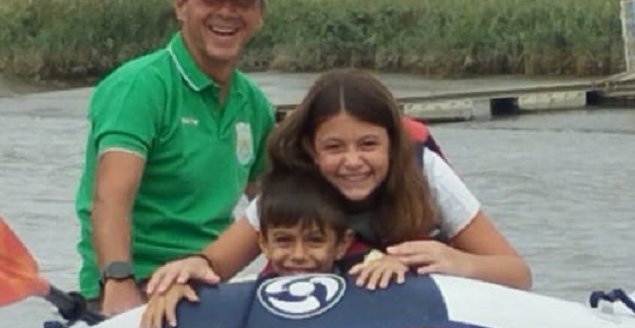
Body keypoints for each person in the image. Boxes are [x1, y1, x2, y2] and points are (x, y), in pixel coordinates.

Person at [142, 67, 531, 299]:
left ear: (392, 144)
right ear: (312, 149)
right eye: (334, 147)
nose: (352, 162)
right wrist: (182, 275)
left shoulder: (425, 171)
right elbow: (214, 265)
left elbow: (517, 273)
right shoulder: (293, 189)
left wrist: (456, 261)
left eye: (368, 145)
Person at [74, 0, 276, 316]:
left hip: (204, 286)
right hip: (136, 286)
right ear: (181, 5)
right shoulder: (141, 87)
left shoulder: (255, 105)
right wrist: (117, 284)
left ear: (259, 14)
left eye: (242, 1)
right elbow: (110, 198)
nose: (227, 12)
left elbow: (274, 205)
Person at [138, 165, 410, 328]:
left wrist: (396, 269)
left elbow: (391, 271)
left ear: (341, 244)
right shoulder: (252, 296)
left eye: (315, 240)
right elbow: (205, 290)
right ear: (263, 243)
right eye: (283, 241)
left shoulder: (363, 269)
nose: (299, 255)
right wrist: (177, 289)